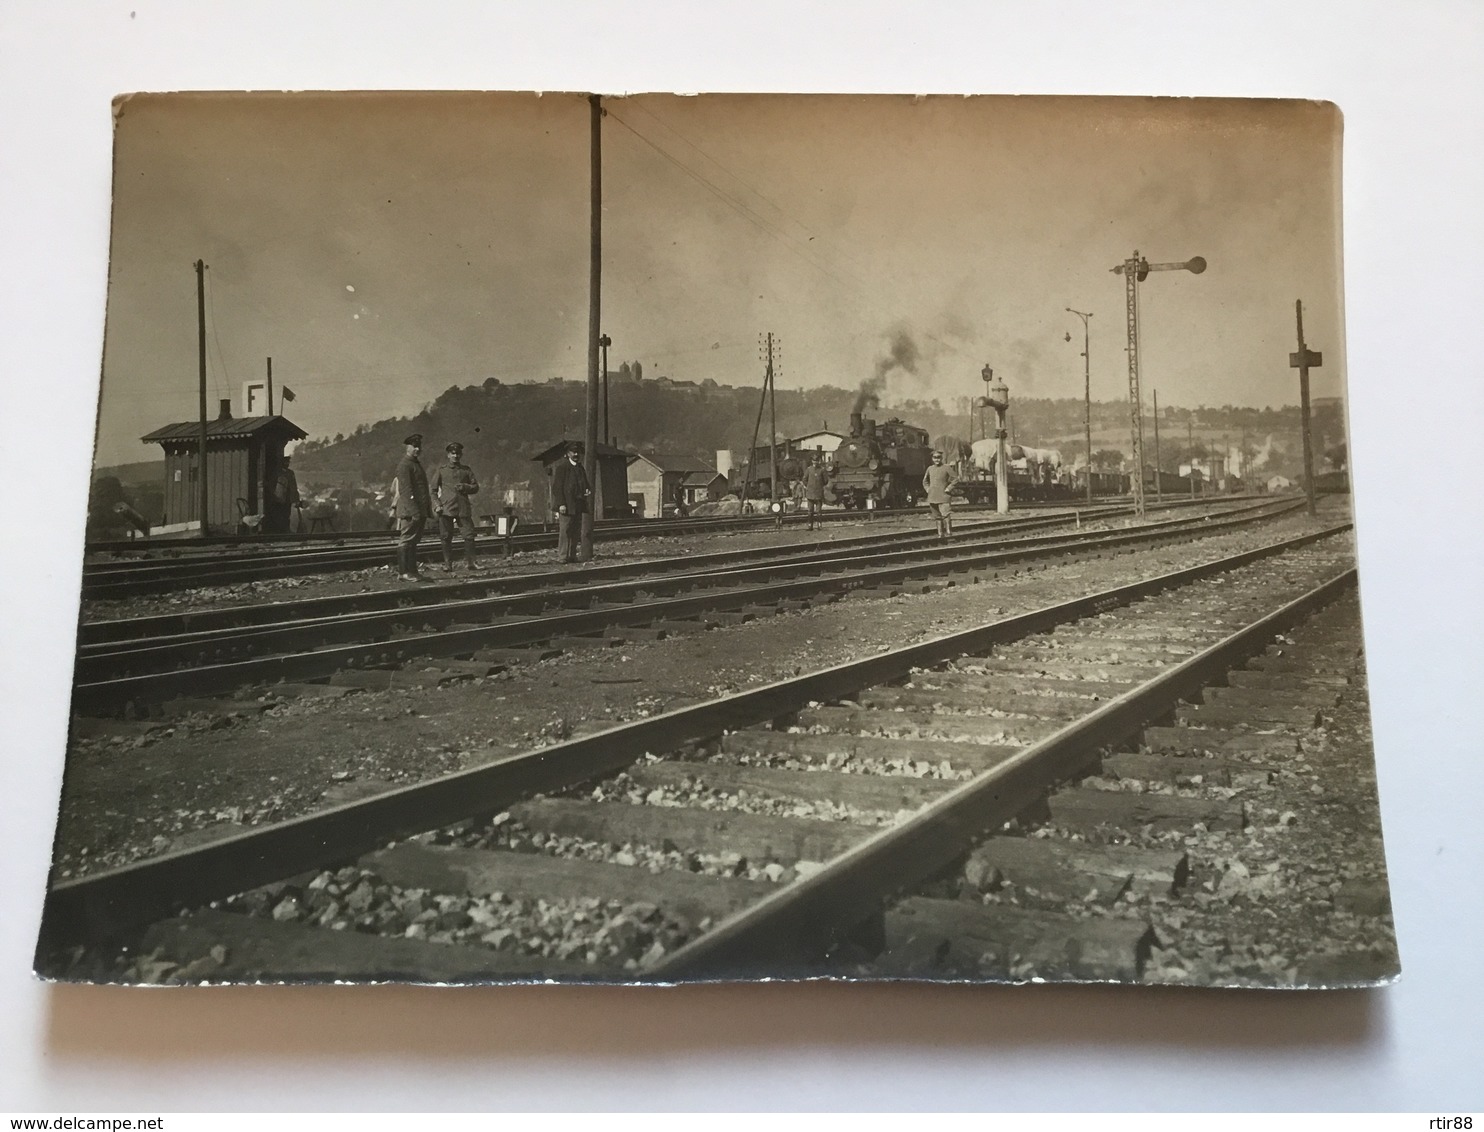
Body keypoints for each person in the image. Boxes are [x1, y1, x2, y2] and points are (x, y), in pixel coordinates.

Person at [431, 441, 481, 572]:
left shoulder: (466, 470)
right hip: (446, 508)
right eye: (453, 453)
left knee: (469, 536)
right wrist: (437, 505)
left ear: (461, 455)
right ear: (448, 455)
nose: (455, 456)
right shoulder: (441, 471)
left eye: (458, 453)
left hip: (463, 508)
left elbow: (475, 487)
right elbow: (433, 491)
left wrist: (466, 487)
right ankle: (448, 564)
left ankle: (471, 563)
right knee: (446, 537)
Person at [393, 433, 433, 582]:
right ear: (407, 447)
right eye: (414, 446)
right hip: (410, 511)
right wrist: (415, 511)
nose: (417, 449)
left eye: (419, 446)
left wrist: (425, 510)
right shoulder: (405, 465)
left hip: (418, 510)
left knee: (413, 541)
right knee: (406, 540)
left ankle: (412, 571)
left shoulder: (415, 464)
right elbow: (406, 491)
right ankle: (404, 572)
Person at [549, 443, 592, 564]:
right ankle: (563, 556)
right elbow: (557, 488)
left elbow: (585, 483)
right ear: (568, 453)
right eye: (573, 452)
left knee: (575, 531)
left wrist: (587, 489)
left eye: (577, 452)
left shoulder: (580, 468)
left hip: (578, 504)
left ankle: (572, 556)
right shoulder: (562, 467)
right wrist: (561, 504)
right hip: (566, 505)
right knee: (565, 530)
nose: (576, 454)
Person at [922, 449, 958, 540]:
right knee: (937, 517)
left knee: (946, 515)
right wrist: (928, 489)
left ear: (941, 458)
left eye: (938, 457)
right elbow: (925, 481)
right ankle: (940, 535)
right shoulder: (930, 469)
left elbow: (955, 479)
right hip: (932, 497)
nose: (936, 459)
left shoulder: (947, 468)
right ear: (932, 459)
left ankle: (949, 534)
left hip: (944, 496)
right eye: (935, 457)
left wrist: (949, 488)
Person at [269, 456, 300, 533]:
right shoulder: (277, 473)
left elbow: (294, 486)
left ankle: (286, 530)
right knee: (279, 515)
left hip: (288, 498)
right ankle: (280, 531)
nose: (287, 464)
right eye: (285, 462)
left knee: (287, 515)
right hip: (279, 498)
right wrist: (274, 495)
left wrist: (296, 498)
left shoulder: (290, 473)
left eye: (288, 462)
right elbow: (272, 485)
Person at [801, 455, 828, 531]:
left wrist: (820, 486)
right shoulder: (809, 470)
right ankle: (810, 526)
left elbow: (826, 480)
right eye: (814, 460)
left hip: (819, 494)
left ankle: (819, 525)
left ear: (818, 461)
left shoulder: (822, 470)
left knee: (819, 511)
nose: (815, 462)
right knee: (810, 511)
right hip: (810, 494)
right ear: (812, 461)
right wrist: (809, 486)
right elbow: (804, 480)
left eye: (816, 460)